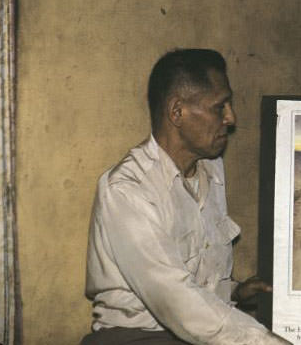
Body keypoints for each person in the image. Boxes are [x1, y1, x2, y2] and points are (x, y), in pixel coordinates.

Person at [82, 49, 290, 345]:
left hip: (192, 332)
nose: (231, 118)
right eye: (220, 107)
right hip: (137, 338)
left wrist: (233, 291)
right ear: (177, 111)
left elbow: (191, 275)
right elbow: (176, 299)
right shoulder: (127, 190)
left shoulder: (210, 168)